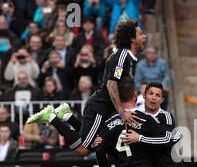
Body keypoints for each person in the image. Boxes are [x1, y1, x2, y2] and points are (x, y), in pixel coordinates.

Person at [26, 20, 146, 157]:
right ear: (132, 39)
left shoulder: (131, 59)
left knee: (97, 145)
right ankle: (51, 117)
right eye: (141, 34)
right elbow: (111, 84)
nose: (144, 37)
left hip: (106, 110)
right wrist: (122, 112)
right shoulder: (121, 56)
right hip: (99, 108)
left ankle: (66, 115)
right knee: (84, 149)